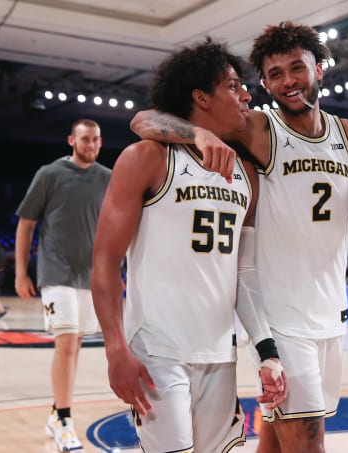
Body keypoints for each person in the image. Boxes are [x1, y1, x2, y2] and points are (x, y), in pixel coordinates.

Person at [130, 21, 348, 453]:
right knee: (307, 441)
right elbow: (144, 120)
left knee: (278, 438)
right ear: (265, 84)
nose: (287, 81)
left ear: (319, 69)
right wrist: (200, 133)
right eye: (275, 74)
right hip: (278, 317)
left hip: (329, 313)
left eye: (295, 68)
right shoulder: (259, 129)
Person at [91, 38, 286, 452]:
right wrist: (115, 349)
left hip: (219, 353)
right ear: (200, 97)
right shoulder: (148, 158)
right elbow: (105, 262)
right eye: (233, 86)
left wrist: (266, 352)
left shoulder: (246, 174)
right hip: (157, 352)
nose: (246, 94)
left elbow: (244, 273)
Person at [14, 119, 111, 452]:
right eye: (86, 139)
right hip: (56, 272)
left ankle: (57, 411)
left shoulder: (107, 178)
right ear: (72, 140)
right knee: (67, 344)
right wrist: (20, 272)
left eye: (97, 140)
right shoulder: (49, 174)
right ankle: (66, 421)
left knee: (75, 346)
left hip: (92, 276)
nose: (92, 145)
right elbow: (26, 224)